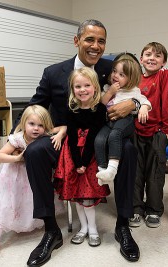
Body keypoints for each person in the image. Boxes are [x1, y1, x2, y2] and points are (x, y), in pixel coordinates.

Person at [13, 19, 140, 266]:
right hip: (65, 135)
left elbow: (133, 88)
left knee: (128, 149)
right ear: (77, 41)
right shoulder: (53, 72)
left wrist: (134, 104)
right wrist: (14, 135)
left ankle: (123, 225)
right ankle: (51, 230)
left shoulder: (111, 68)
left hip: (100, 136)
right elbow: (35, 104)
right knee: (35, 152)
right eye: (89, 39)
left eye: (101, 41)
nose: (96, 46)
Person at [0, 105, 66, 254]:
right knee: (7, 203)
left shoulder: (45, 135)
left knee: (27, 202)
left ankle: (29, 223)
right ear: (24, 123)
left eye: (40, 125)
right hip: (13, 177)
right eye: (32, 124)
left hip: (28, 179)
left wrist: (59, 135)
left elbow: (63, 128)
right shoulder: (17, 138)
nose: (36, 129)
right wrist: (17, 158)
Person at [53, 67, 110, 247]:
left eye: (87, 85)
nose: (82, 89)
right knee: (77, 195)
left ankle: (92, 229)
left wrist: (84, 163)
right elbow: (70, 139)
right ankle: (83, 228)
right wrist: (77, 162)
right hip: (73, 157)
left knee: (89, 197)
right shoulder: (72, 110)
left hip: (91, 157)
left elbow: (93, 136)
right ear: (73, 89)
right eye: (78, 86)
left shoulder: (99, 109)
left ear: (95, 87)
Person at [130, 42, 168, 229]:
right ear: (141, 59)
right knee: (135, 173)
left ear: (163, 61)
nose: (152, 58)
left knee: (155, 173)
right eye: (148, 54)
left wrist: (165, 130)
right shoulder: (135, 78)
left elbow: (167, 103)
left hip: (156, 131)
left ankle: (154, 210)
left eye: (157, 56)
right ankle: (136, 208)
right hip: (135, 131)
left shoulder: (164, 75)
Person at [95, 56, 151, 186]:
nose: (115, 75)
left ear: (130, 79)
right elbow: (102, 103)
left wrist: (143, 108)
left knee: (115, 135)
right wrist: (110, 92)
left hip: (125, 120)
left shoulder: (133, 91)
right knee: (99, 139)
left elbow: (145, 101)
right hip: (109, 122)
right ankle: (103, 171)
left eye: (121, 74)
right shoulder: (107, 87)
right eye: (114, 71)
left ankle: (112, 169)